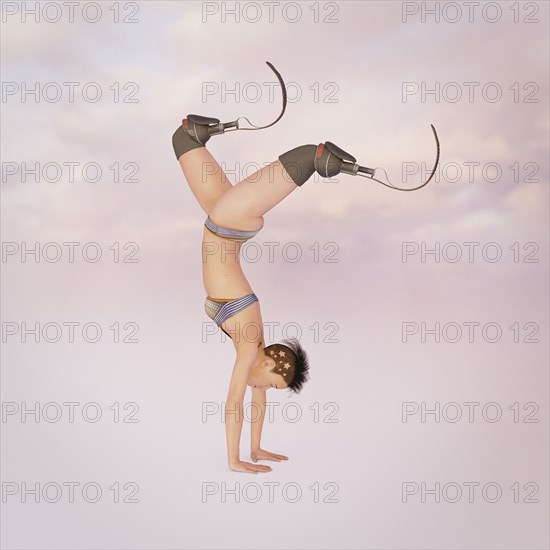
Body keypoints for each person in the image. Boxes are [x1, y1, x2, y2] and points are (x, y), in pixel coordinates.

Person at [171, 111, 355, 473]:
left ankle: (194, 132)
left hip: (225, 224)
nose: (266, 390)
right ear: (269, 363)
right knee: (310, 158)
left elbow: (255, 398)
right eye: (272, 383)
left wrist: (256, 449)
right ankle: (320, 158)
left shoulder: (253, 346)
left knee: (184, 140)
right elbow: (234, 402)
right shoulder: (249, 345)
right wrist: (233, 460)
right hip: (227, 225)